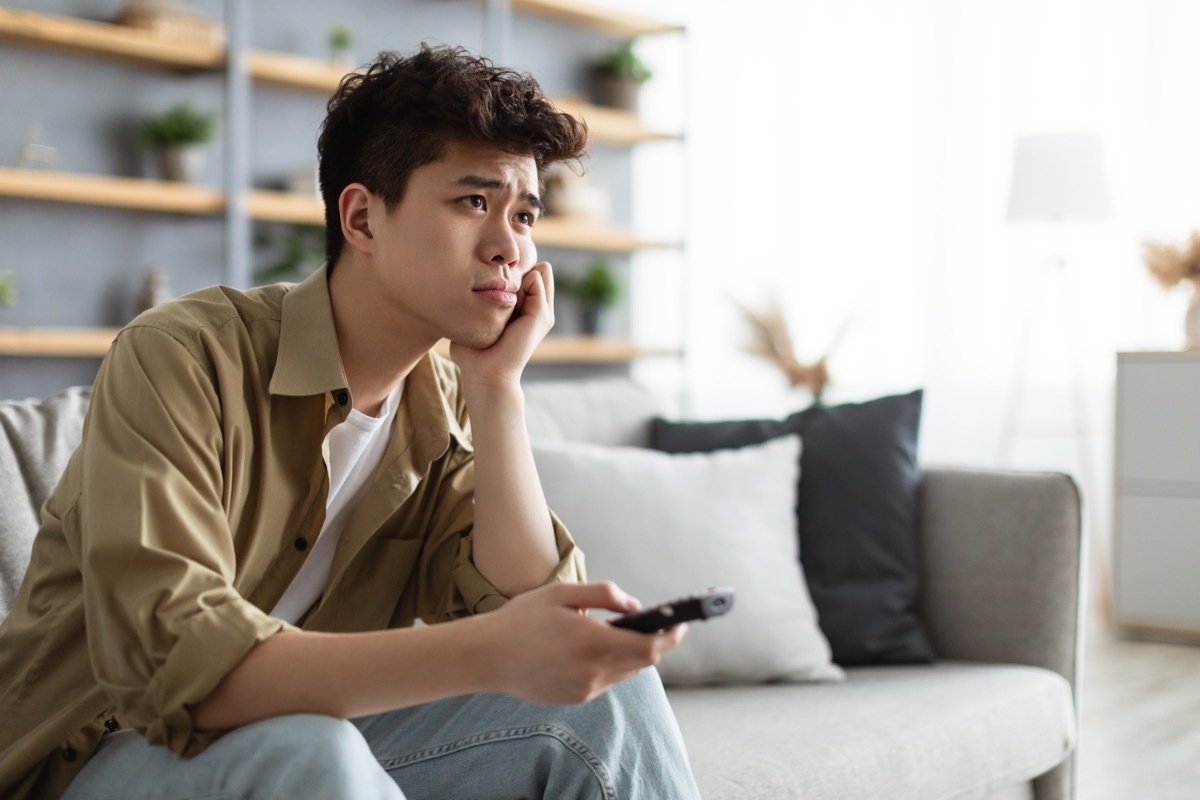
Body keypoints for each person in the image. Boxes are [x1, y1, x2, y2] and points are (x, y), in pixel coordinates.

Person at [0, 44, 702, 800]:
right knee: (313, 750)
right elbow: (177, 667)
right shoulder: (183, 356)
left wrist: (499, 390)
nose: (509, 246)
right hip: (97, 756)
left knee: (613, 700)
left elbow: (529, 613)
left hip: (317, 741)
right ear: (362, 217)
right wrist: (491, 653)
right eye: (474, 202)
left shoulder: (450, 399)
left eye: (524, 214)